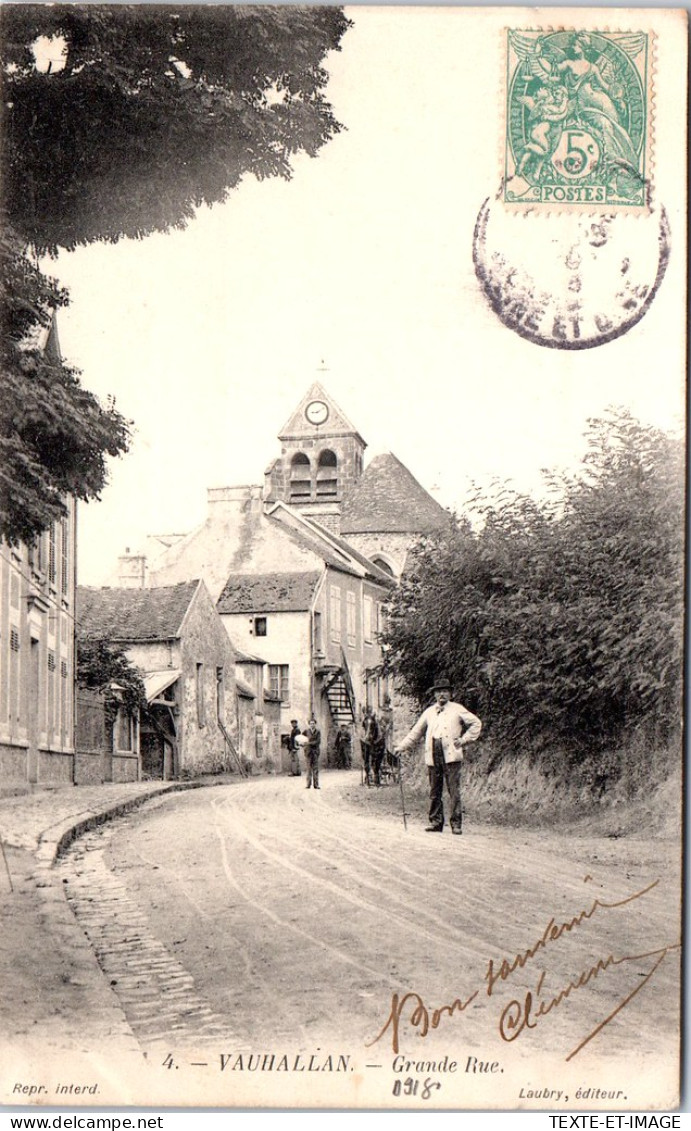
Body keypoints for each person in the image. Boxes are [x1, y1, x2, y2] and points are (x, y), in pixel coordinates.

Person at [395, 677, 481, 835]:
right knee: (435, 790)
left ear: (450, 694)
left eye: (445, 691)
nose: (442, 694)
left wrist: (463, 740)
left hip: (450, 755)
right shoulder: (429, 712)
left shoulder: (457, 709)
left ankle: (456, 824)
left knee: (453, 790)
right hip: (433, 753)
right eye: (439, 691)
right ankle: (436, 822)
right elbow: (416, 732)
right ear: (434, 694)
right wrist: (401, 746)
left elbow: (476, 723)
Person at [360, 707, 379, 786]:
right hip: (366, 739)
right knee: (366, 758)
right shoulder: (365, 718)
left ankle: (376, 775)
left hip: (373, 737)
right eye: (369, 710)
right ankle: (367, 776)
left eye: (370, 710)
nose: (369, 711)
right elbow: (363, 727)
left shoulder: (374, 719)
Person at [303, 716, 321, 790]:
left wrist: (309, 743)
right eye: (311, 723)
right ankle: (308, 784)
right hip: (308, 752)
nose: (312, 725)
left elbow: (318, 742)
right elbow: (302, 739)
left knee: (315, 769)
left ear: (315, 724)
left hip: (315, 752)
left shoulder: (318, 732)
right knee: (308, 769)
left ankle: (316, 785)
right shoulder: (306, 731)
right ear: (309, 724)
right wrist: (303, 744)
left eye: (313, 723)